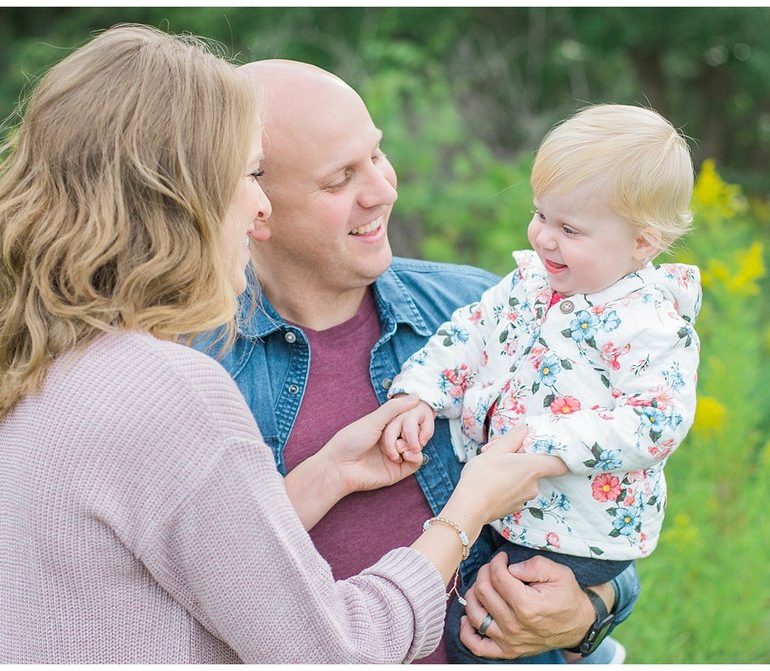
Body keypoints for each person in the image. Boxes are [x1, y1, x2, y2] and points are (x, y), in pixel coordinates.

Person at [0, 24, 567, 664]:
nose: (257, 210)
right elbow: (336, 654)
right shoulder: (171, 386)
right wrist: (467, 510)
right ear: (179, 200)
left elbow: (197, 564)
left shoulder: (31, 363)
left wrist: (328, 473)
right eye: (248, 174)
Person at [200, 59, 641, 663]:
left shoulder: (480, 311)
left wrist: (586, 613)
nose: (383, 189)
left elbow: (601, 516)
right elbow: (189, 596)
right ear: (254, 204)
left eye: (377, 156)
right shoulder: (195, 373)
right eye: (339, 180)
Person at [382, 104, 702, 663]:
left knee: (493, 624)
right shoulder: (530, 282)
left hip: (578, 527)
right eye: (541, 215)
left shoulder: (647, 322)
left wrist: (538, 446)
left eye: (569, 229)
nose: (544, 238)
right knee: (463, 605)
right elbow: (471, 333)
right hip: (512, 504)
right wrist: (422, 392)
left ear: (642, 244)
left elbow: (655, 421)